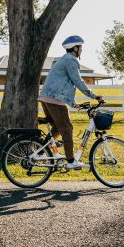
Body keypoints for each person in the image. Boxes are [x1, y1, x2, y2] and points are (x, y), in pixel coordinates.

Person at [38, 35, 104, 169]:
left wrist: (74, 104)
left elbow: (65, 84)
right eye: (80, 48)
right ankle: (70, 161)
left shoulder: (63, 60)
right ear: (75, 48)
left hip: (46, 98)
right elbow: (77, 81)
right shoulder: (70, 60)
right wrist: (94, 96)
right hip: (54, 100)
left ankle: (40, 152)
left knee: (57, 128)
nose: (81, 50)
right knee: (67, 128)